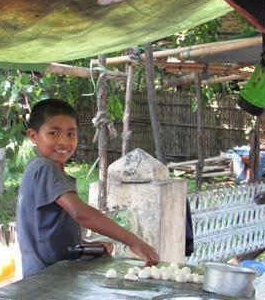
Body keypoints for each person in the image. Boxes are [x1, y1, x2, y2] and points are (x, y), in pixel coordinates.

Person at [16, 98, 160, 277]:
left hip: (50, 276)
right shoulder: (45, 168)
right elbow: (80, 213)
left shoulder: (38, 168)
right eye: (53, 133)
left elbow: (48, 235)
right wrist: (133, 240)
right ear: (33, 136)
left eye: (71, 134)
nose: (63, 141)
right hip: (46, 279)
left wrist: (84, 246)